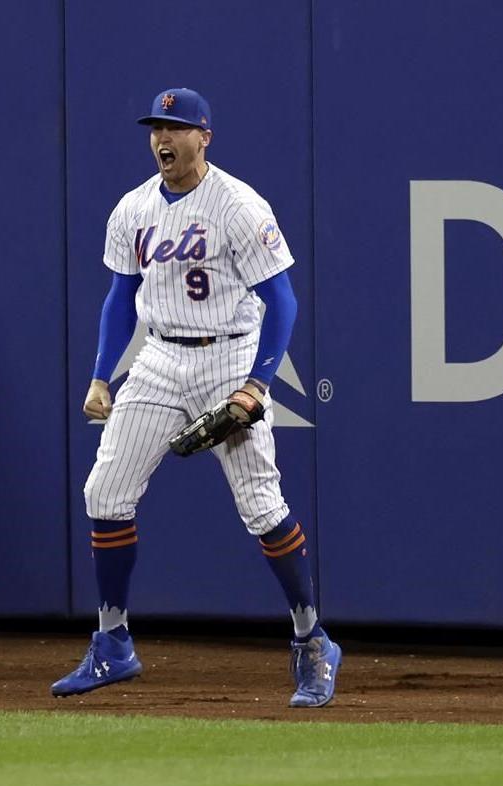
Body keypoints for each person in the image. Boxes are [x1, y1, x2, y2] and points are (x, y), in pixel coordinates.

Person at [51, 87, 341, 708]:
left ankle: (312, 640)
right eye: (156, 127)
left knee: (262, 505)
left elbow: (282, 300)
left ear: (203, 137)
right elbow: (118, 297)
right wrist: (103, 375)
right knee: (105, 493)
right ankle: (112, 643)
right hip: (158, 357)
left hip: (229, 353)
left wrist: (255, 385)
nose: (164, 138)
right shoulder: (132, 208)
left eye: (176, 128)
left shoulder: (237, 205)